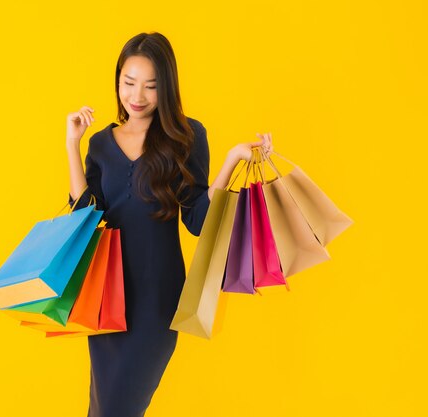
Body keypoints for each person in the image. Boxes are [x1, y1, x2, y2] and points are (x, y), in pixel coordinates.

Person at [66, 32, 273, 417]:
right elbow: (85, 218)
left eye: (150, 85)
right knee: (100, 407)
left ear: (167, 86)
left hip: (156, 302)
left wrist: (230, 161)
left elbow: (197, 219)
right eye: (128, 83)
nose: (137, 95)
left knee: (117, 409)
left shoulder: (187, 136)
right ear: (117, 82)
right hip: (106, 299)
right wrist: (72, 147)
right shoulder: (99, 143)